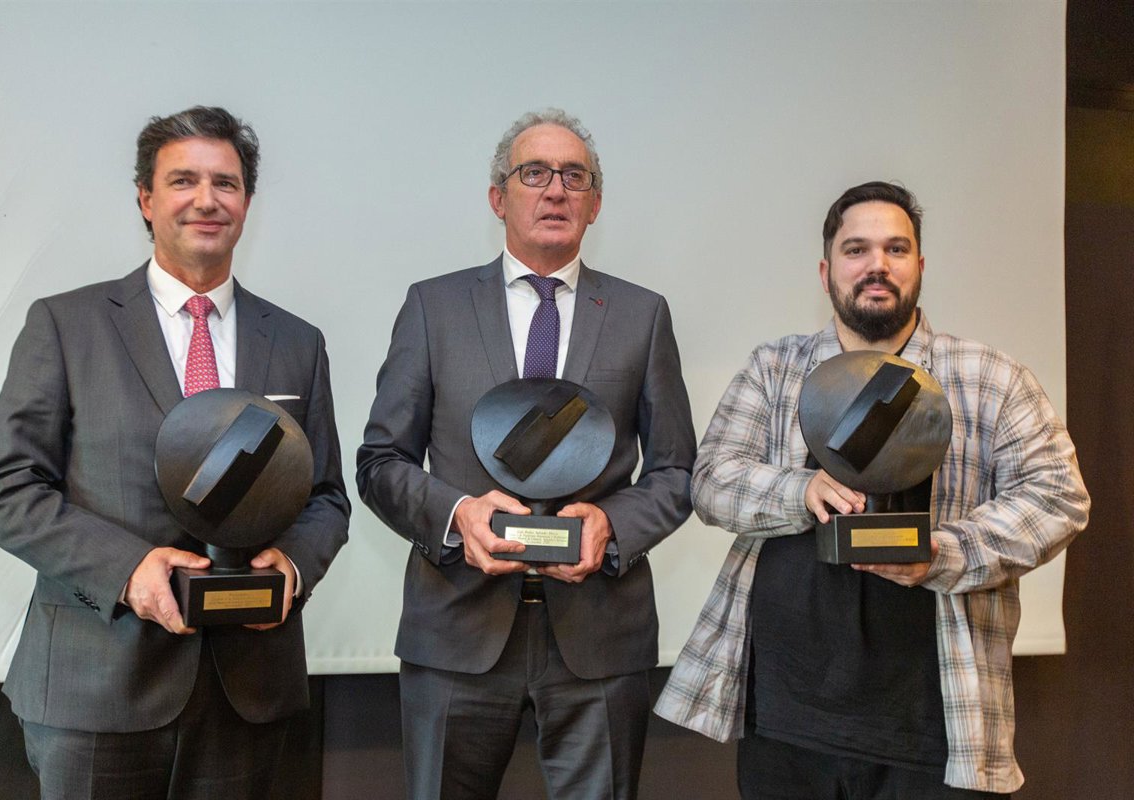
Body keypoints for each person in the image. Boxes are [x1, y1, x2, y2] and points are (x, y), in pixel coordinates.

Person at [655, 181, 1090, 799]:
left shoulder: (992, 377)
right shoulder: (773, 369)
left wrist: (944, 553)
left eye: (896, 249)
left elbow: (1058, 497)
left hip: (934, 722)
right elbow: (711, 482)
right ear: (826, 270)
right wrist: (800, 490)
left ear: (920, 266)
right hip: (786, 713)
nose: (877, 265)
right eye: (856, 249)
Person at [0, 105, 351, 799]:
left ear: (247, 203)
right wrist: (127, 570)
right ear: (146, 199)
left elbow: (325, 496)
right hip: (95, 688)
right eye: (183, 181)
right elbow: (6, 489)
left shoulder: (298, 341)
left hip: (247, 690)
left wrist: (293, 567)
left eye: (226, 183)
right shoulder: (67, 325)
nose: (207, 200)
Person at [356, 108, 696, 799]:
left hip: (600, 636)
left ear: (595, 204)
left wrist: (612, 525)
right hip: (457, 632)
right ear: (498, 197)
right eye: (534, 173)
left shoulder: (642, 315)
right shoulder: (433, 308)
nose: (556, 190)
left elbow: (676, 470)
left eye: (575, 177)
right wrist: (458, 514)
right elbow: (381, 462)